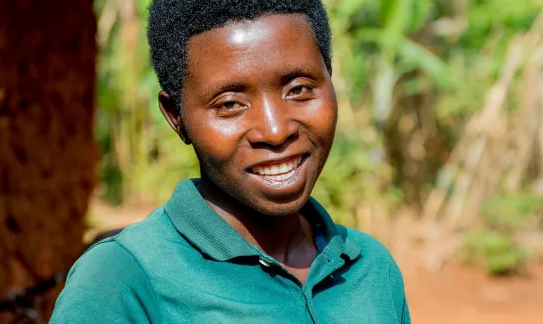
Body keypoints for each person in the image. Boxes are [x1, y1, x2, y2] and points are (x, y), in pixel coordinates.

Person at [50, 0, 411, 323]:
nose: (274, 130)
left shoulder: (371, 270)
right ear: (176, 116)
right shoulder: (122, 280)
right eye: (229, 104)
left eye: (298, 88)